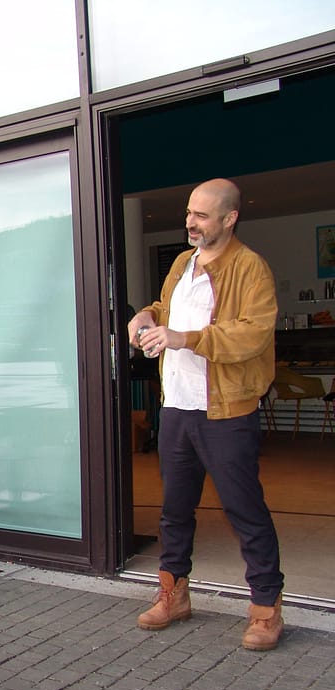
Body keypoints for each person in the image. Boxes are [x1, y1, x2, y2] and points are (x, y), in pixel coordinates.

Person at [127, 178, 284, 651]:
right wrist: (147, 316)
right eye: (188, 213)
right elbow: (167, 308)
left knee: (245, 511)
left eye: (201, 215)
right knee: (174, 511)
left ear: (230, 218)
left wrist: (184, 339)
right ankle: (173, 595)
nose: (190, 223)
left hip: (226, 411)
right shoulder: (182, 263)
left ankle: (266, 609)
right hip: (176, 405)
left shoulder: (250, 268)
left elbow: (252, 333)